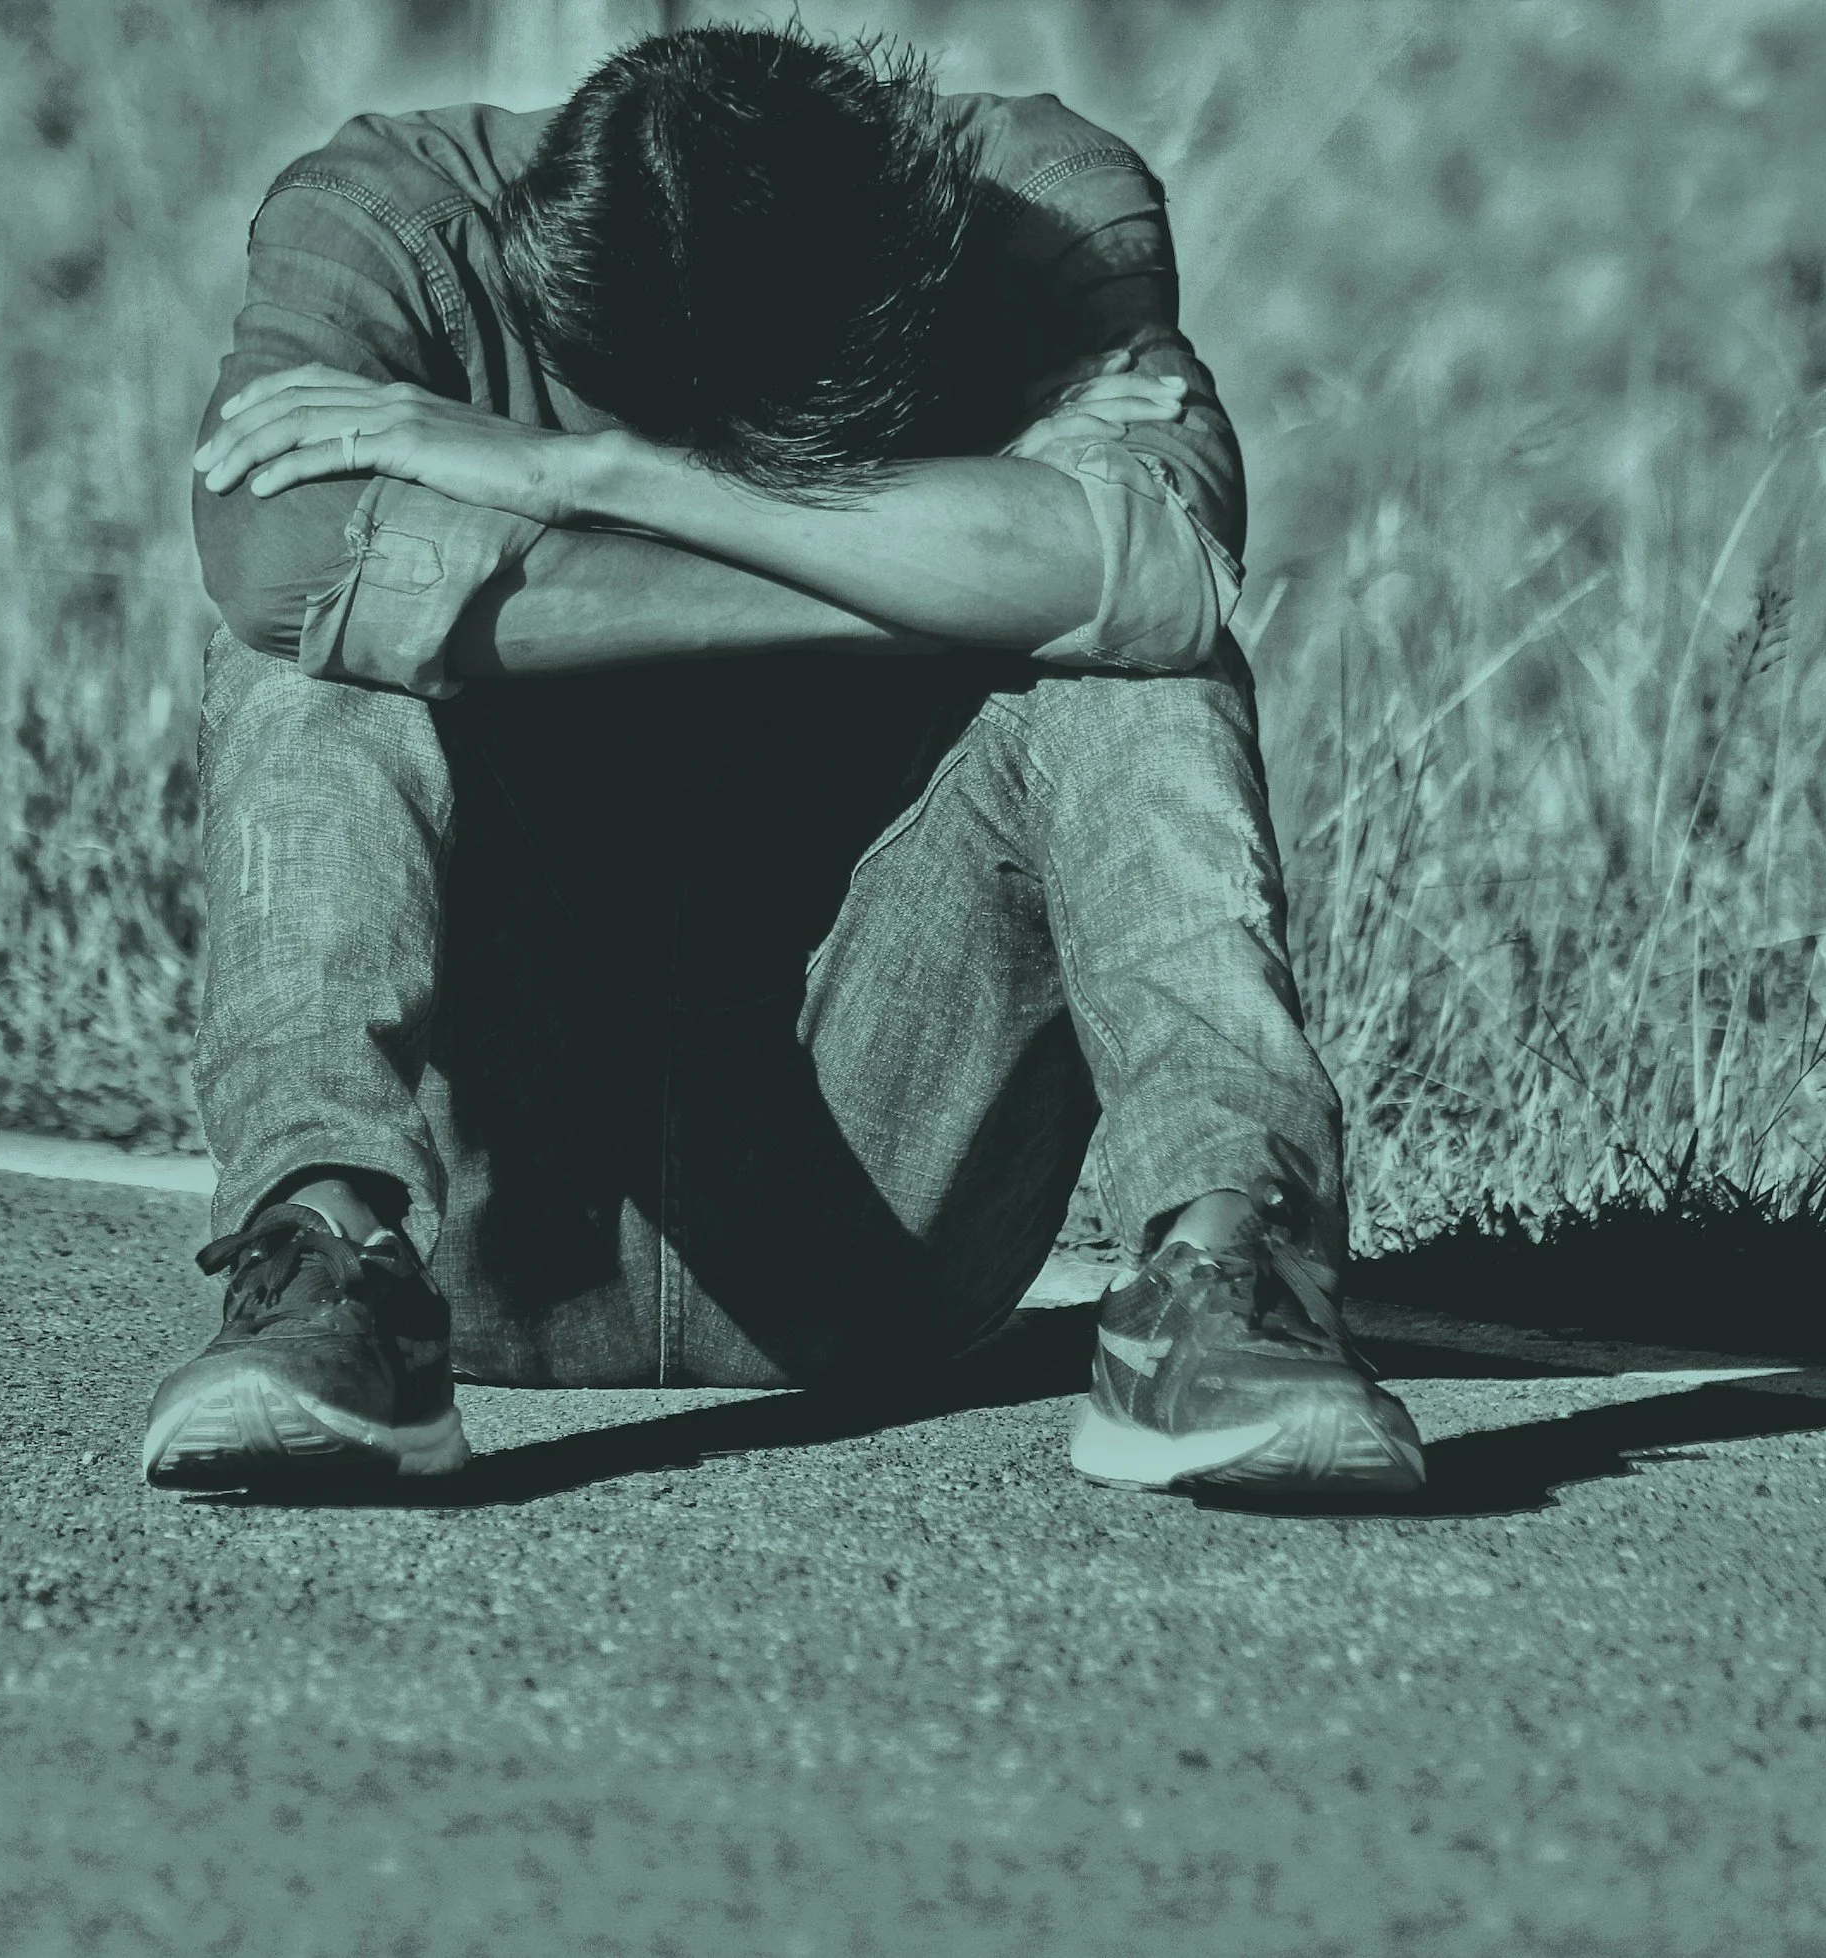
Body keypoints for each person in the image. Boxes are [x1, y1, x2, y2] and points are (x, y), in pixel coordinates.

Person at [144, 24, 1425, 1498]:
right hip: (507, 1225)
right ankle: (331, 1264)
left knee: (1142, 666)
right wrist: (956, 562)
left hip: (891, 1189)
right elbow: (280, 570)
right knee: (309, 657)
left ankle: (1225, 1280)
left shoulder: (1051, 211)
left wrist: (598, 478)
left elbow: (1170, 575)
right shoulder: (378, 223)